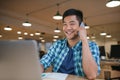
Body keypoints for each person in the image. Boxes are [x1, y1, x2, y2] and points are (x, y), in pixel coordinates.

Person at [40, 9, 100, 80]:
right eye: (65, 24)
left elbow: (92, 75)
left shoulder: (92, 46)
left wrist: (84, 39)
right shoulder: (57, 45)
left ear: (81, 26)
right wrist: (36, 69)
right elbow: (43, 62)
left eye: (72, 23)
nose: (68, 28)